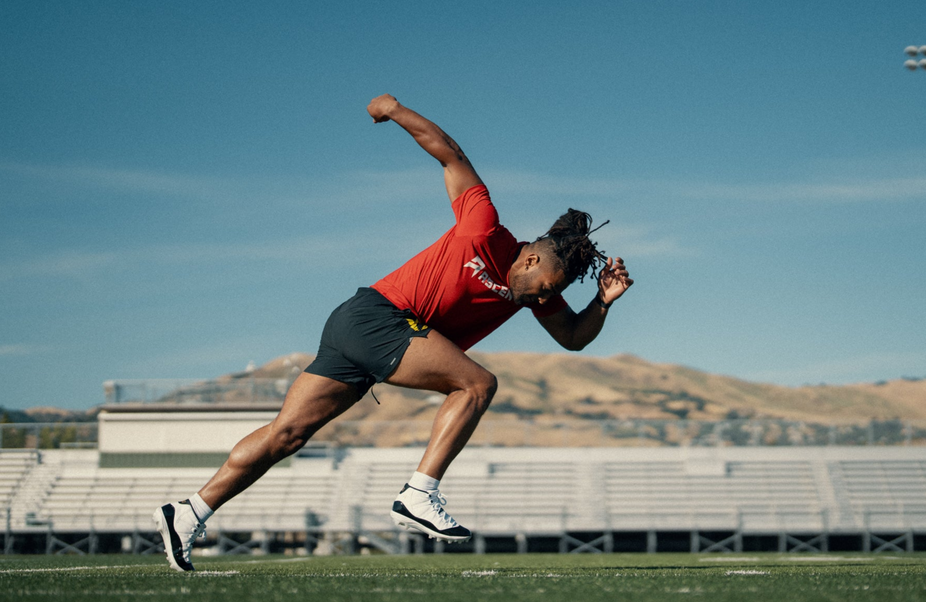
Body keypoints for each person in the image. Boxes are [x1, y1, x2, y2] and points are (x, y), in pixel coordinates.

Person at [152, 94, 634, 571]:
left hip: (367, 333)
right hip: (373, 317)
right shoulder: (484, 226)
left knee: (288, 434)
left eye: (548, 295)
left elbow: (572, 337)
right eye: (543, 287)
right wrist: (396, 110)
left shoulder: (540, 292)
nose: (540, 299)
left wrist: (601, 302)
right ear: (530, 258)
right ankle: (419, 494)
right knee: (478, 384)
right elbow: (450, 153)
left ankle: (189, 512)